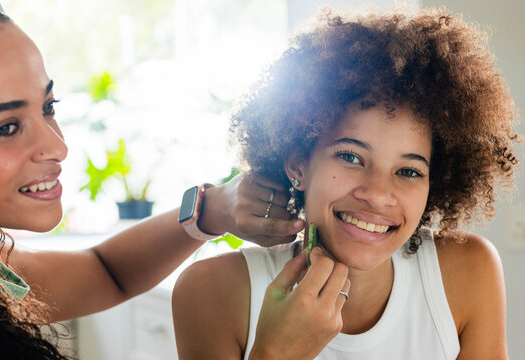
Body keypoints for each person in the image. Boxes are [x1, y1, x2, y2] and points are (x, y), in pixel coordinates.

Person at [172, 6, 519, 360]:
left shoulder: (468, 272)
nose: (378, 194)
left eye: (409, 171)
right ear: (298, 164)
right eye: (350, 157)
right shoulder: (211, 292)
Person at [0, 2, 306, 359]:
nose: (57, 146)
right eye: (5, 128)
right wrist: (274, 353)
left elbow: (108, 271)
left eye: (48, 106)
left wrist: (213, 209)